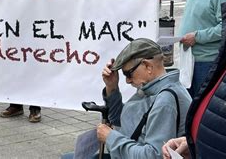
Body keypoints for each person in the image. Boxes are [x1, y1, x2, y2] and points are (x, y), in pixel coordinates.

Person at [64, 38, 192, 159]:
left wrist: (110, 138)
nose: (127, 80)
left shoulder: (165, 100)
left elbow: (154, 155)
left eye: (128, 73)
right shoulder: (152, 86)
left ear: (147, 66)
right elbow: (119, 119)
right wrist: (112, 87)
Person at [162, 0, 226, 159]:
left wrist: (198, 36)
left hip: (207, 60)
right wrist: (191, 140)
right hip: (191, 59)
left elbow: (222, 28)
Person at [0, 0, 61, 123]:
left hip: (38, 31)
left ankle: (34, 108)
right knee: (14, 67)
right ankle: (15, 105)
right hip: (17, 29)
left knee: (33, 69)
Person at [178, 0, 226, 97]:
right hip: (189, 61)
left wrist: (197, 37)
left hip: (207, 62)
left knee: (201, 110)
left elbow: (225, 27)